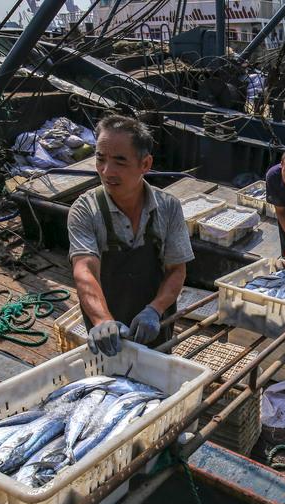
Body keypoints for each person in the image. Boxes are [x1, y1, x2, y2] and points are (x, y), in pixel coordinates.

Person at [67, 115, 194, 356]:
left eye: (120, 161)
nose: (107, 171)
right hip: (106, 331)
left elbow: (177, 270)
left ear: (145, 164)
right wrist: (102, 321)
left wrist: (155, 310)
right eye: (100, 159)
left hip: (155, 325)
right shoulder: (85, 210)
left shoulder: (168, 207)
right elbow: (84, 270)